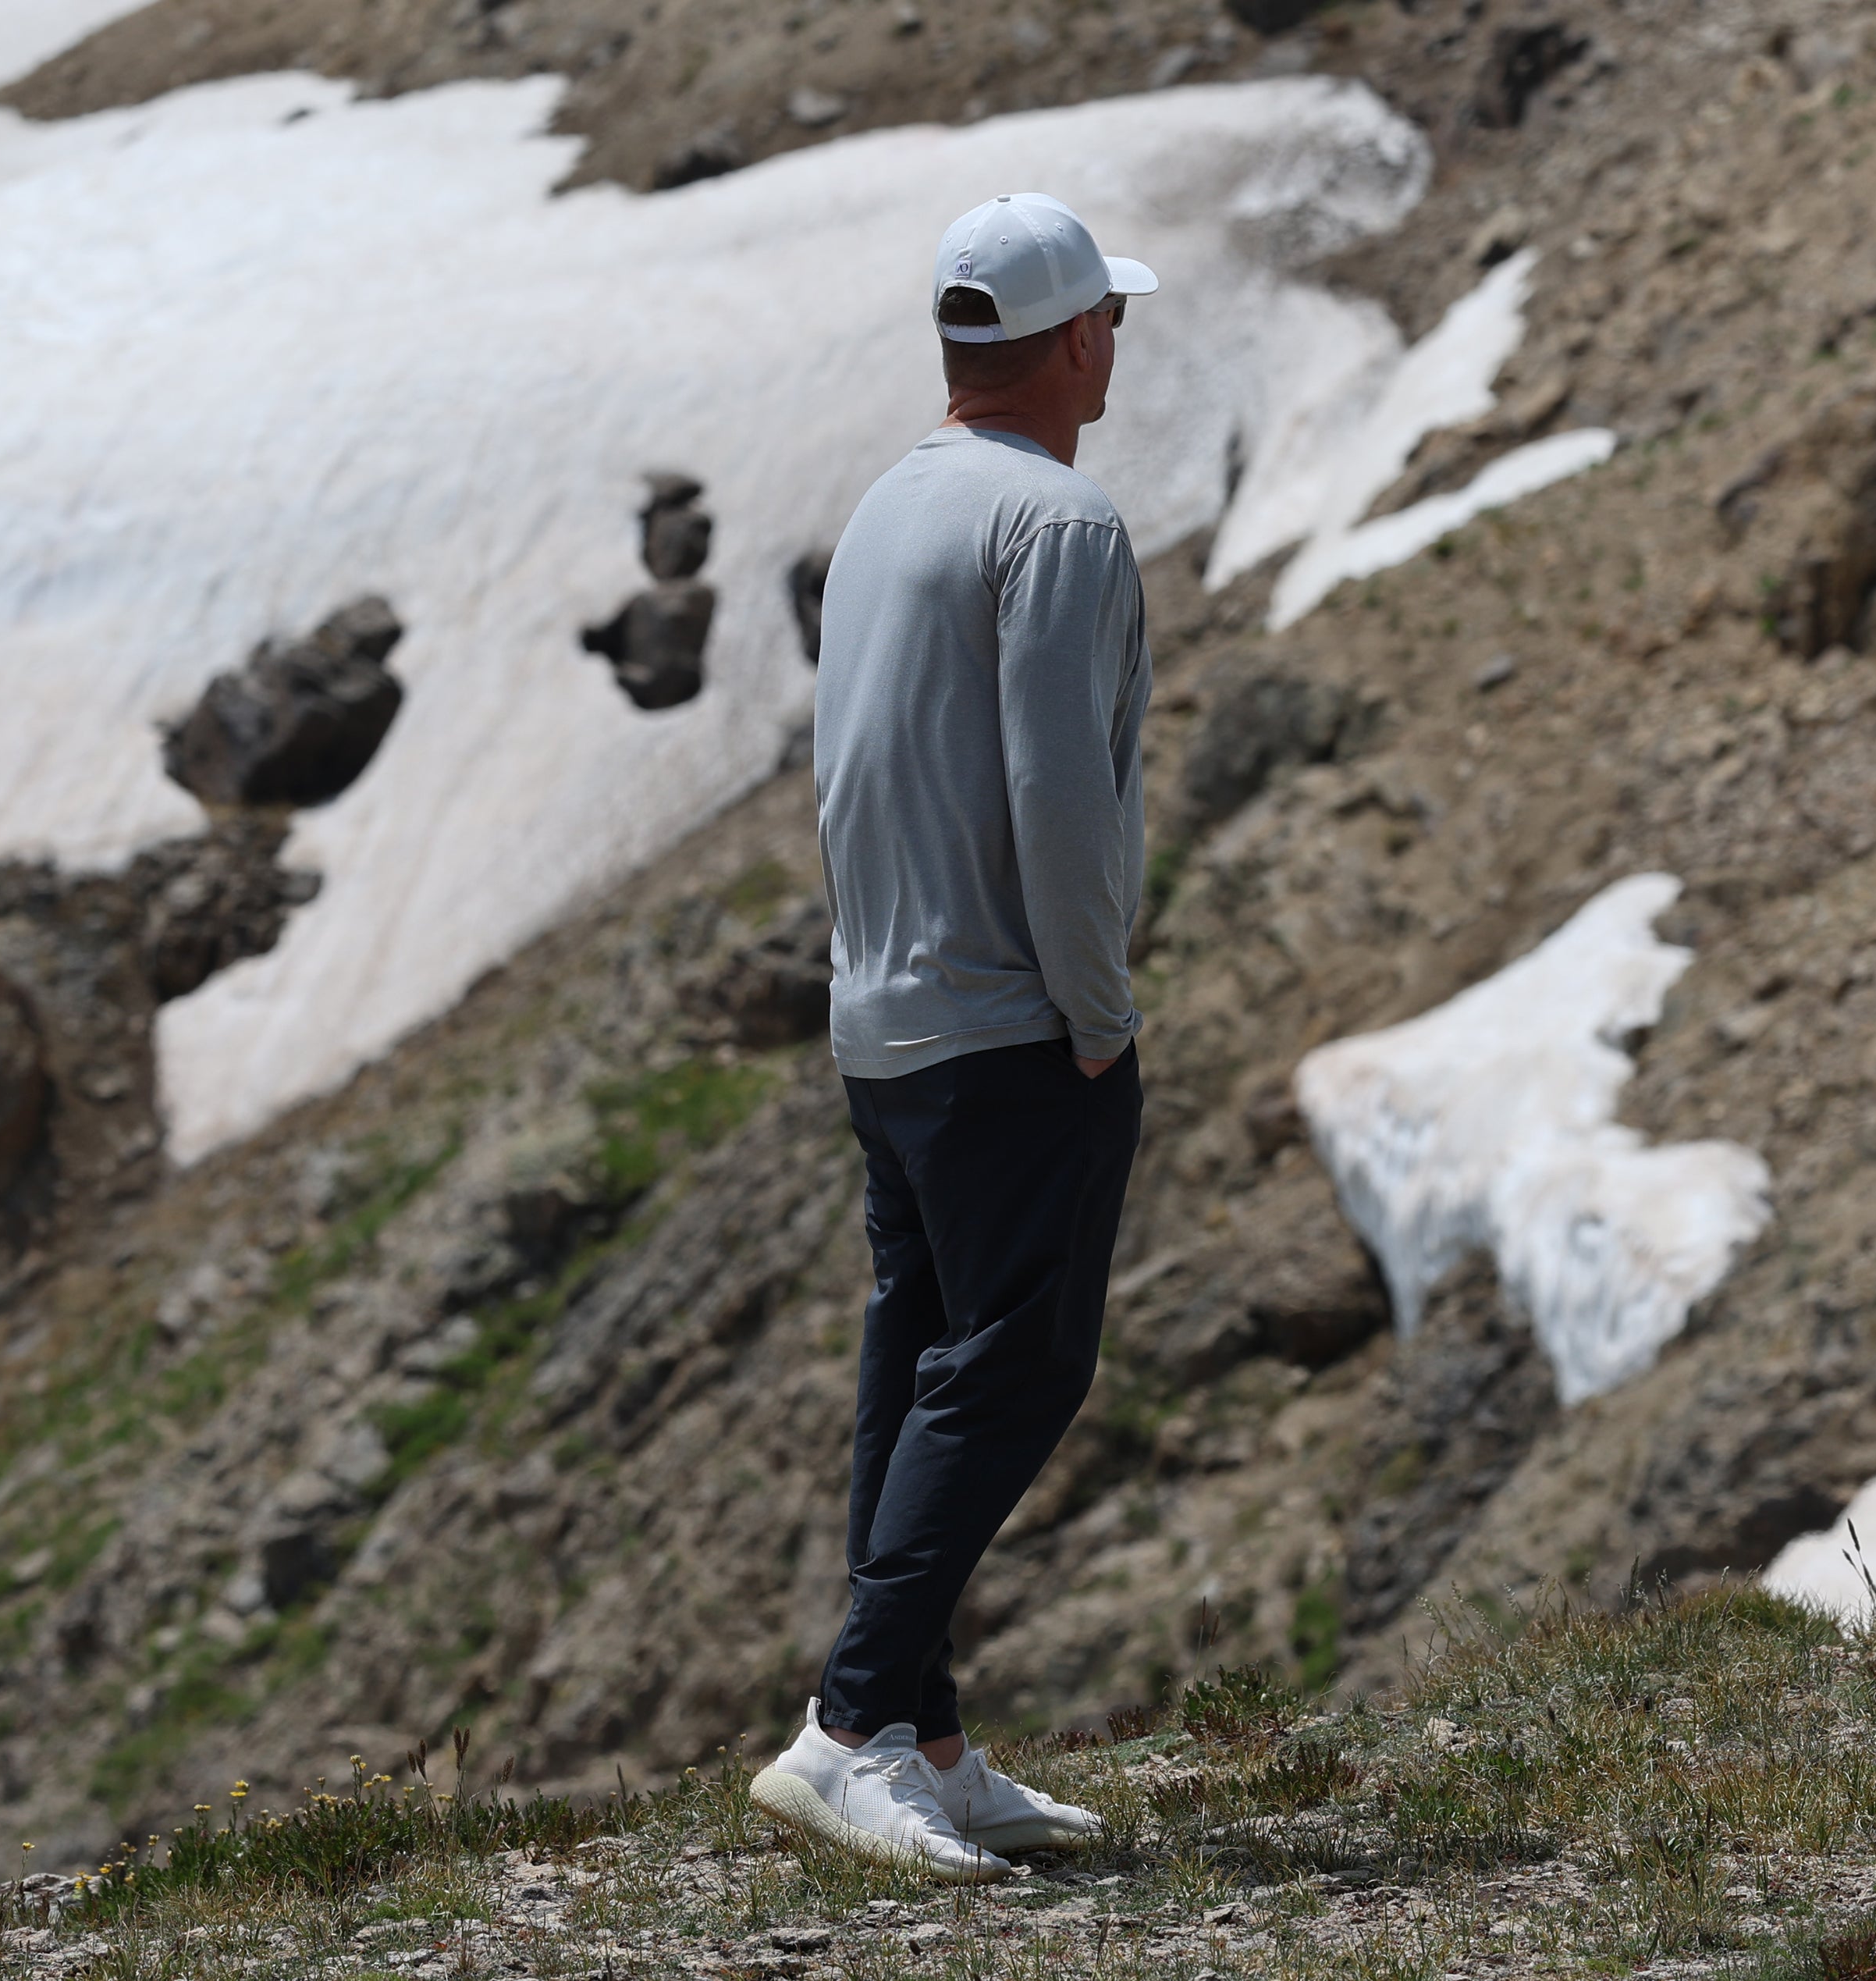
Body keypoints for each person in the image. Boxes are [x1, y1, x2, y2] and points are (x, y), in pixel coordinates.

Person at [749, 194, 1156, 1882]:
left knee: (913, 1369)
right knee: (1014, 1369)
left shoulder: (886, 508)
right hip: (1010, 1026)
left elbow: (851, 770)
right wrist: (1098, 1012)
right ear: (1073, 341)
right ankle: (850, 1731)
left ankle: (920, 1735)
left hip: (885, 1020)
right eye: (1110, 321)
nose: (1116, 344)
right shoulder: (1057, 524)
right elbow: (1065, 799)